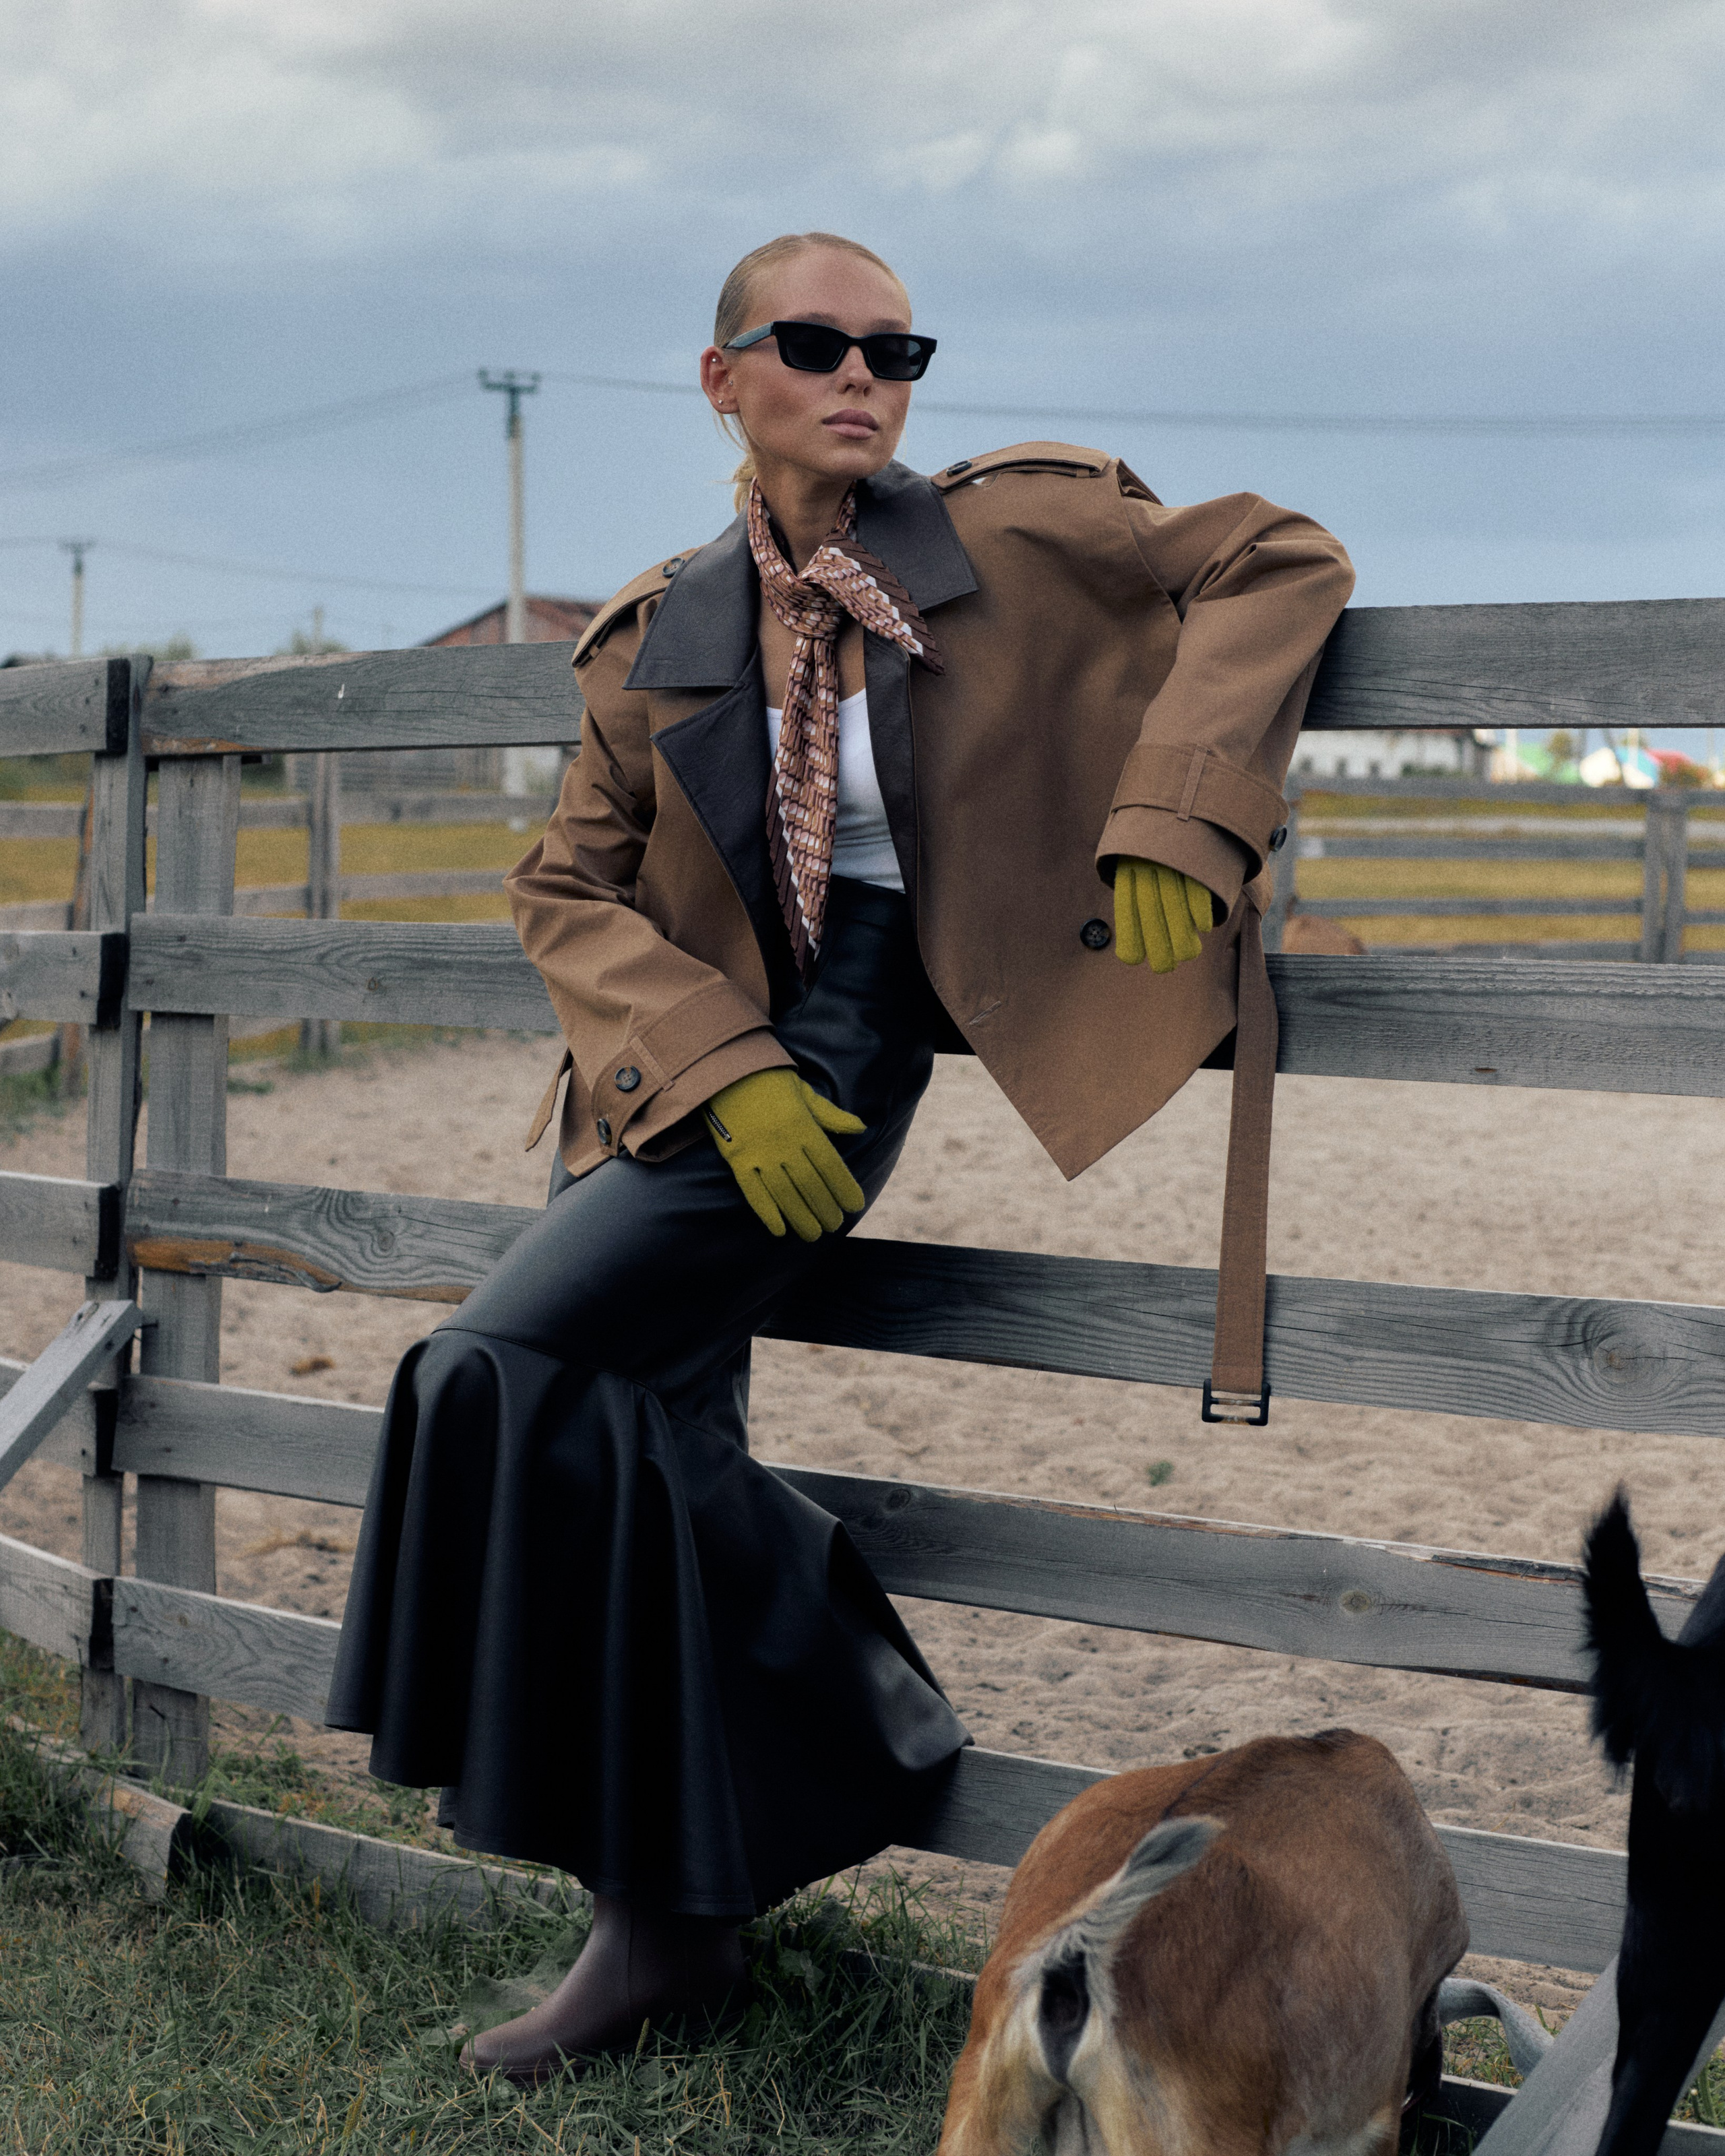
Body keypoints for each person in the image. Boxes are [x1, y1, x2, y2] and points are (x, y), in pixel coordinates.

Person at [326, 230, 1354, 2082]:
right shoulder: (667, 628)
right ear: (725, 378)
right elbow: (562, 876)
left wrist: (1175, 818)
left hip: (860, 1040)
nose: (864, 374)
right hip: (692, 1073)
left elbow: (1279, 560)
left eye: (897, 346)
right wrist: (716, 1066)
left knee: (495, 1364)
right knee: (624, 1422)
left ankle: (837, 1703)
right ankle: (671, 1930)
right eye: (815, 342)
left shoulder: (1012, 540)